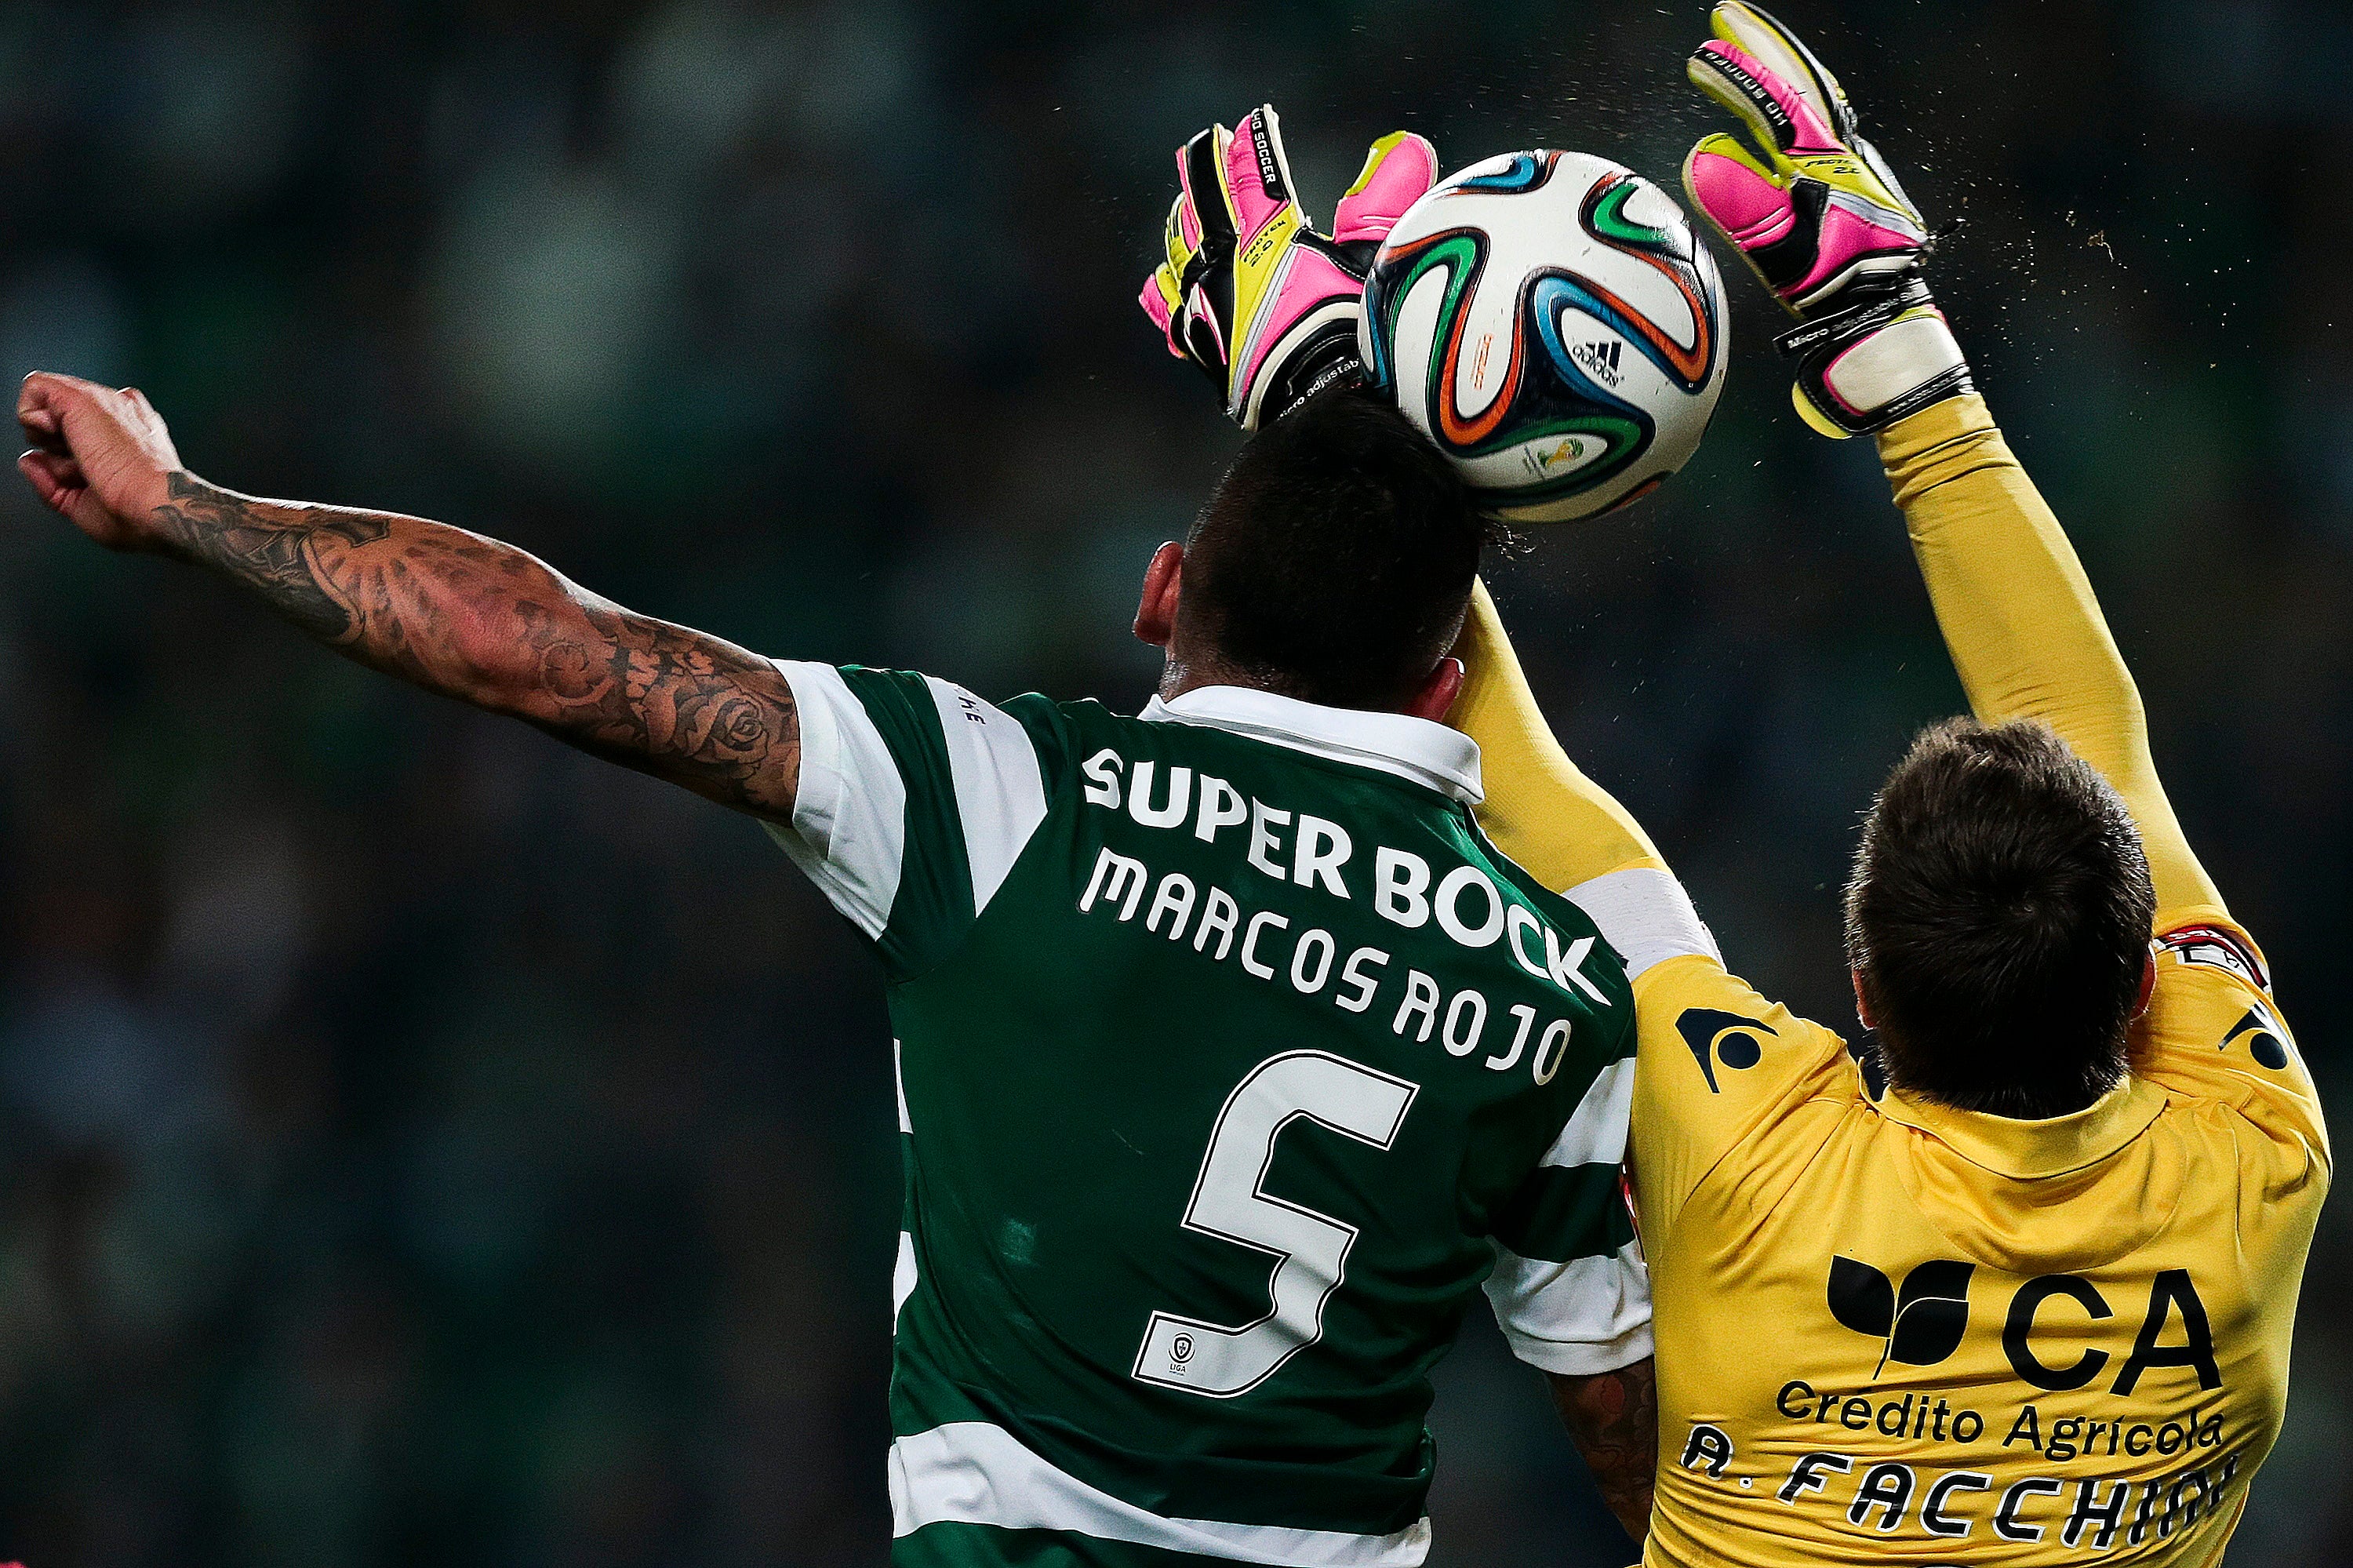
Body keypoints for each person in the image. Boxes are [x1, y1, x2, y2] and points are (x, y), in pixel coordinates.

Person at [13, 118, 1657, 1568]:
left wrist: (183, 507)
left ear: (1160, 592)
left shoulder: (994, 795)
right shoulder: (1563, 994)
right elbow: (1633, 1443)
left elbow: (531, 643)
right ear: (1446, 689)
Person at [1449, 8, 2329, 1563]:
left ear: (1859, 989)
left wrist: (1374, 434)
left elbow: (1541, 812)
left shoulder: (1755, 1163)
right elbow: (2101, 745)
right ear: (2146, 986)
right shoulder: (2251, 1164)